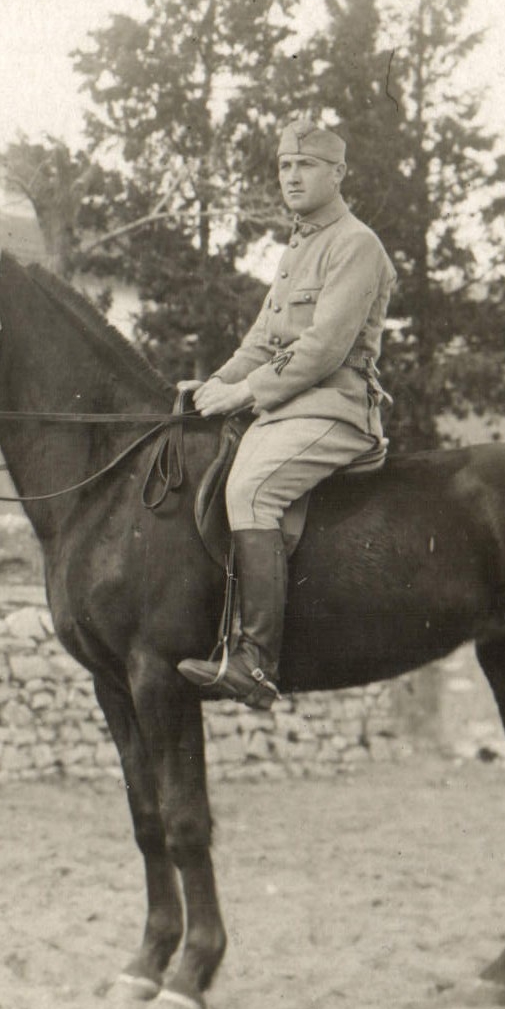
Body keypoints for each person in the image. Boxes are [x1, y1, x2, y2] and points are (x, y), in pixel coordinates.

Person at [177, 118, 396, 709]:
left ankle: (255, 661)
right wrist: (214, 385)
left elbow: (323, 349)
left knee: (252, 489)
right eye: (284, 166)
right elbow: (261, 340)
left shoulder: (356, 244)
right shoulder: (299, 245)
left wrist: (244, 394)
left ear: (338, 173)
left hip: (336, 406)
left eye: (306, 165)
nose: (291, 176)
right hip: (288, 408)